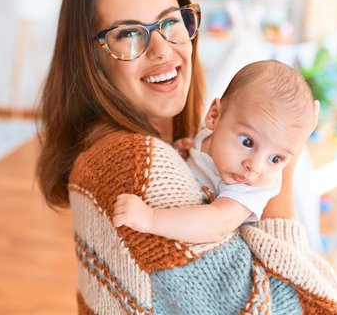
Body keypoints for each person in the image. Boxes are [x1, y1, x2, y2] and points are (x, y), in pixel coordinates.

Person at [37, 0, 337, 313]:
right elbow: (299, 308)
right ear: (91, 59)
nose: (162, 49)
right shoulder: (134, 164)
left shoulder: (167, 148)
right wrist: (285, 158)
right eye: (129, 33)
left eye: (169, 22)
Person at [112, 60, 320, 244]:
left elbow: (215, 225)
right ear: (214, 116)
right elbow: (201, 152)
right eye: (247, 141)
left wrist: (150, 219)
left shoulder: (248, 191)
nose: (254, 167)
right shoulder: (213, 138)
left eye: (276, 158)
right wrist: (189, 147)